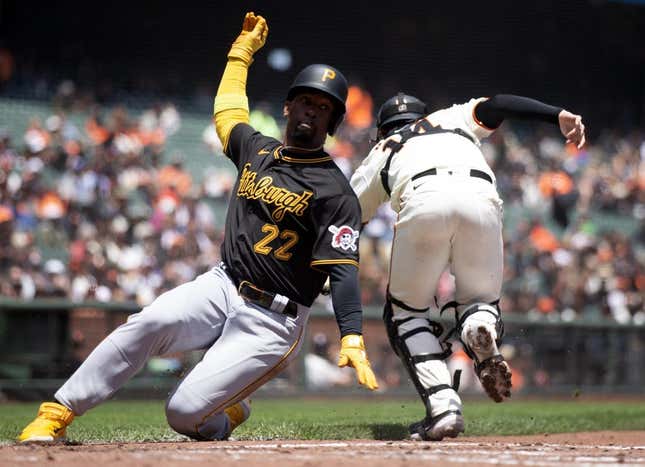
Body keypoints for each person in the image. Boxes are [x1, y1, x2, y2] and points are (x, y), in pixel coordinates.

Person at [18, 11, 378, 443]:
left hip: (273, 320)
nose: (312, 112)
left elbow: (343, 269)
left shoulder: (335, 191)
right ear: (288, 106)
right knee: (146, 324)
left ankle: (228, 409)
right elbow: (229, 111)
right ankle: (56, 413)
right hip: (223, 284)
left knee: (183, 413)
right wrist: (240, 55)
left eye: (324, 108)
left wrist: (353, 334)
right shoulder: (256, 149)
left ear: (333, 123)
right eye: (306, 101)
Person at [350, 92, 586, 441]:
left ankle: (444, 407)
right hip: (482, 198)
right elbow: (500, 103)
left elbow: (345, 220)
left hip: (422, 197)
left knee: (406, 314)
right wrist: (558, 114)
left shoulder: (382, 150)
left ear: (384, 129)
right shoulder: (450, 117)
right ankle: (479, 326)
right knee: (478, 301)